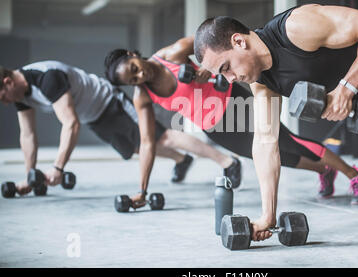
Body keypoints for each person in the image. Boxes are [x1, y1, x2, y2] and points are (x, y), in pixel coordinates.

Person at [194, 4, 358, 241]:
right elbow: (264, 143)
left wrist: (346, 88)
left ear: (238, 41)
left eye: (226, 67)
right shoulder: (262, 84)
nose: (228, 80)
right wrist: (267, 216)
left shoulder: (296, 27)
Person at [104, 36, 358, 211]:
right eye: (133, 80)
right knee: (277, 158)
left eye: (134, 68)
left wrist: (206, 69)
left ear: (132, 55)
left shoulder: (171, 55)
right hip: (216, 128)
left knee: (287, 141)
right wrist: (142, 190)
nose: (140, 75)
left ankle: (355, 175)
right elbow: (148, 142)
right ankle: (323, 170)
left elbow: (208, 44)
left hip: (234, 102)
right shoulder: (143, 97)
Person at [0, 61, 238, 198]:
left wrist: (57, 168)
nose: (5, 102)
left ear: (7, 82)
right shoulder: (20, 95)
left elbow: (70, 124)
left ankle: (228, 162)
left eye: (2, 96)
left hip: (109, 102)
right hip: (94, 116)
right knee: (134, 148)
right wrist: (30, 175)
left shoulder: (47, 78)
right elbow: (28, 135)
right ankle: (182, 160)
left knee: (161, 137)